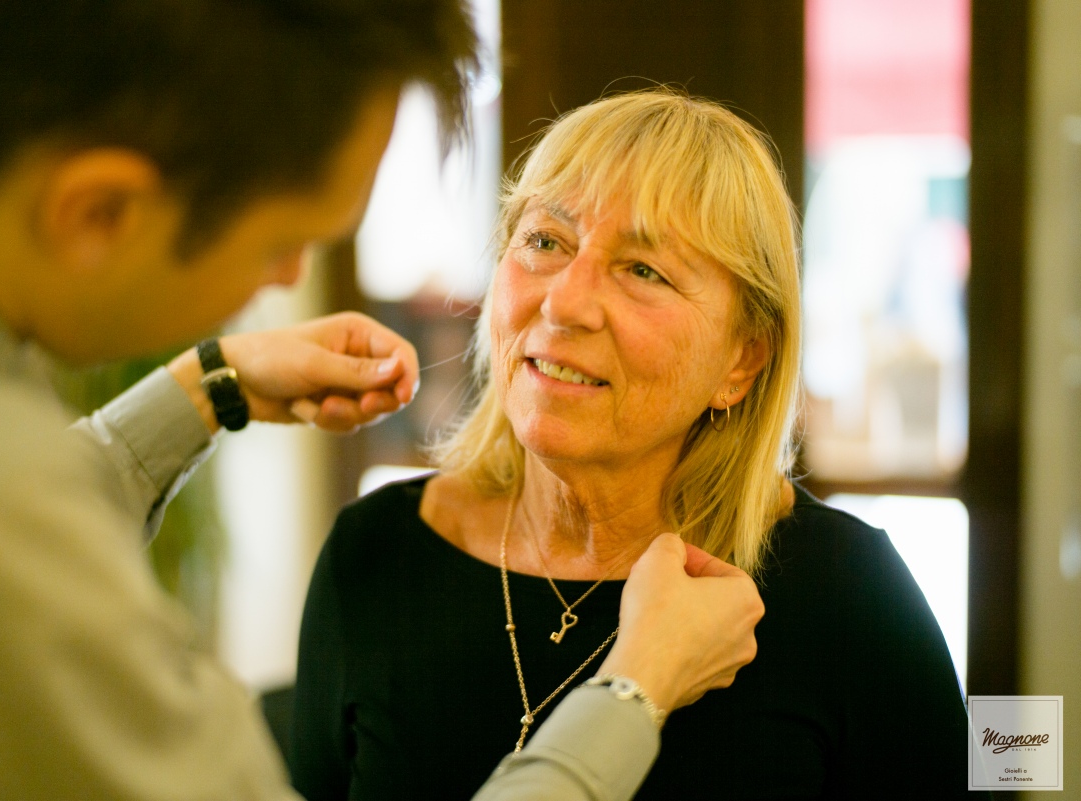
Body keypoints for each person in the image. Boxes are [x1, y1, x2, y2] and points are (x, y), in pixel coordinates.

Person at [0, 4, 764, 800]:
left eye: (644, 269)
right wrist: (631, 694)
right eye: (283, 241)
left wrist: (209, 386)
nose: (288, 279)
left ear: (744, 357)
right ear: (100, 212)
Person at [291, 89, 979, 800]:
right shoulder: (370, 556)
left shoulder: (850, 591)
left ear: (742, 360)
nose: (563, 301)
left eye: (643, 270)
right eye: (545, 241)